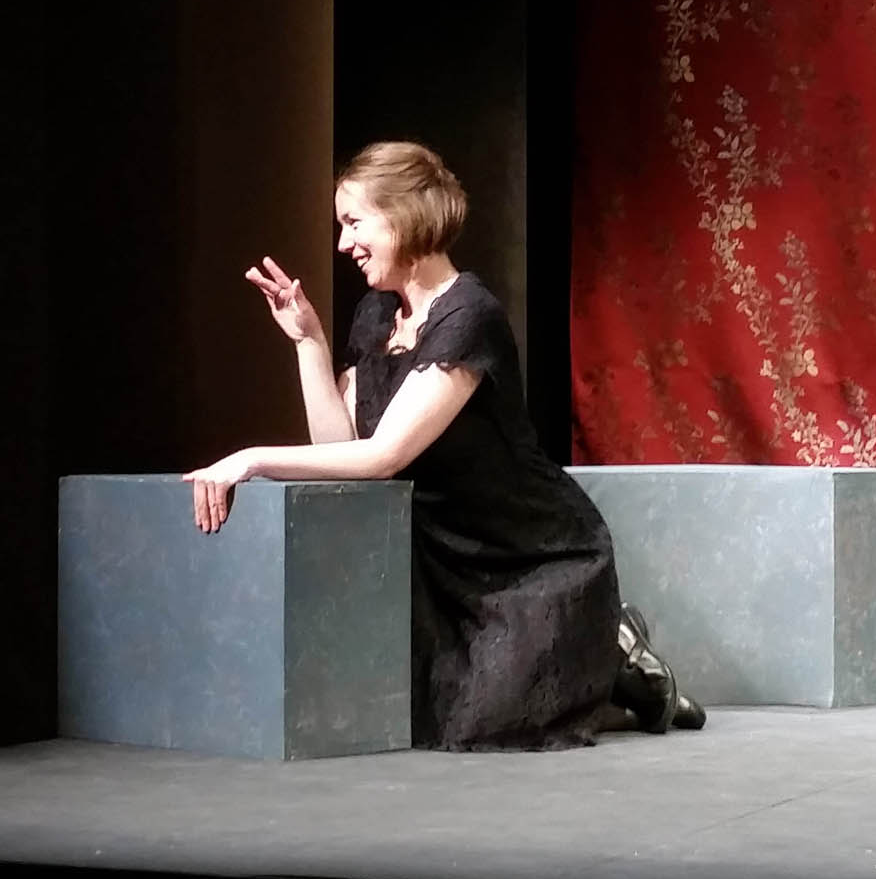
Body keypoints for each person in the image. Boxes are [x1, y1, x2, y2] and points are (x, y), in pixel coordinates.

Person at [182, 140, 705, 749]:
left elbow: (383, 457)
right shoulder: (377, 315)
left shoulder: (468, 317)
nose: (344, 243)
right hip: (444, 559)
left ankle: (616, 658)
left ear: (403, 215)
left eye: (354, 222)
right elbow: (341, 447)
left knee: (492, 727)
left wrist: (251, 459)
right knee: (444, 719)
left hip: (528, 557)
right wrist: (309, 343)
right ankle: (610, 670)